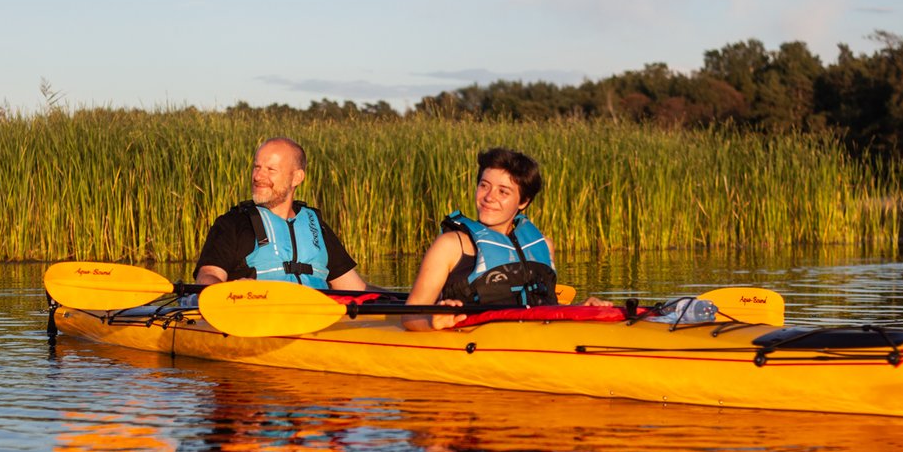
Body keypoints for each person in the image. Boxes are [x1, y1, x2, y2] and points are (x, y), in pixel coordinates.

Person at [404, 147, 609, 330]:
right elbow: (410, 316)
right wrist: (432, 322)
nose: (489, 197)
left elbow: (545, 307)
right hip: (474, 345)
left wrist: (579, 310)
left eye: (503, 191)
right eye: (484, 186)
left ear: (523, 201)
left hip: (535, 341)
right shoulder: (450, 245)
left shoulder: (544, 245)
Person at [193, 137, 369, 291]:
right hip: (256, 318)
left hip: (316, 320)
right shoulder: (233, 223)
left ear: (297, 178)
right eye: (257, 167)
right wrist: (231, 291)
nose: (258, 176)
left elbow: (357, 290)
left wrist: (394, 303)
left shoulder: (316, 227)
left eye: (271, 170)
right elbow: (207, 277)